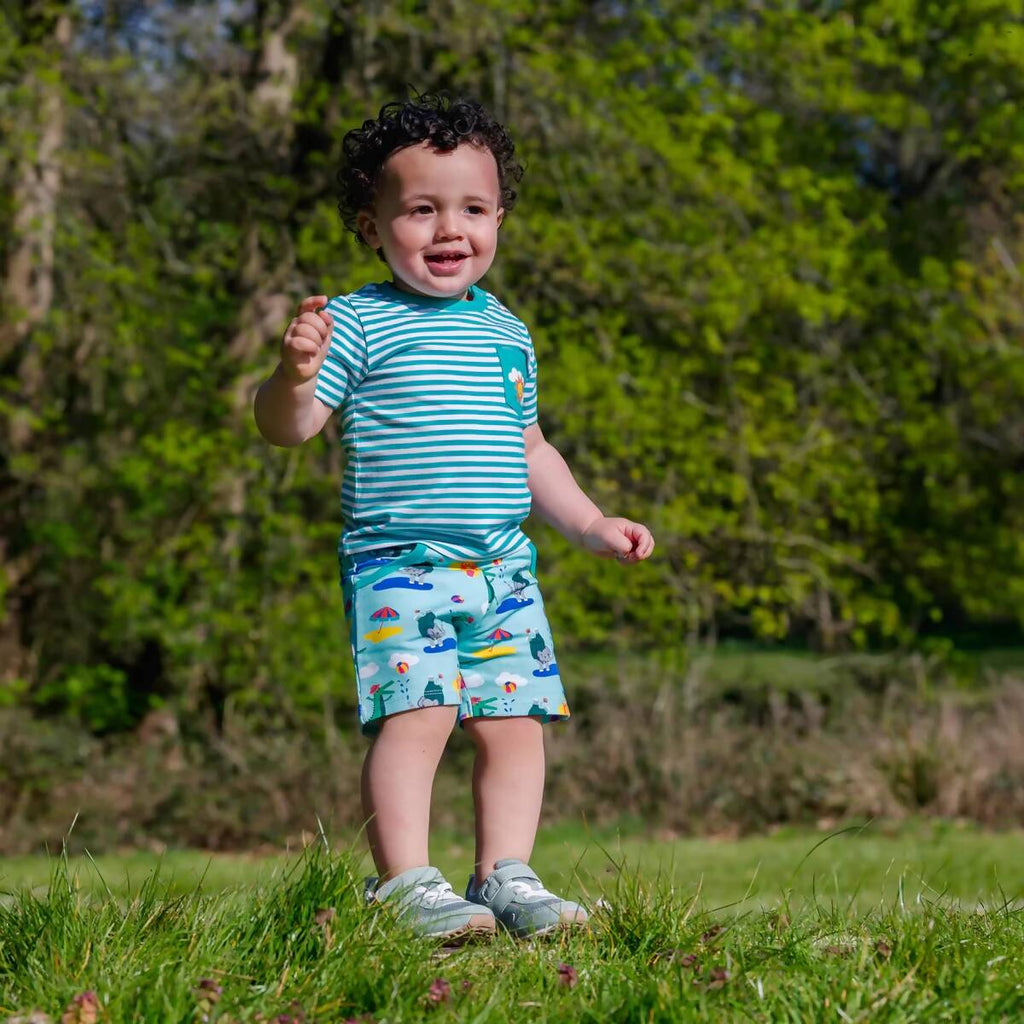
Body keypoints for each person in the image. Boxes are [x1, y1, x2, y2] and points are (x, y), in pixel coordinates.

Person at [254, 94, 654, 941]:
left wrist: (591, 524)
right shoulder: (358, 325)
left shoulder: (508, 331)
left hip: (504, 568)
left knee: (514, 726)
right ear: (371, 225)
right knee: (420, 714)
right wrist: (293, 375)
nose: (450, 230)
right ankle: (405, 885)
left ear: (500, 217)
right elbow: (287, 431)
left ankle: (505, 875)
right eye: (421, 210)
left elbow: (534, 452)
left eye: (473, 209)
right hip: (400, 562)